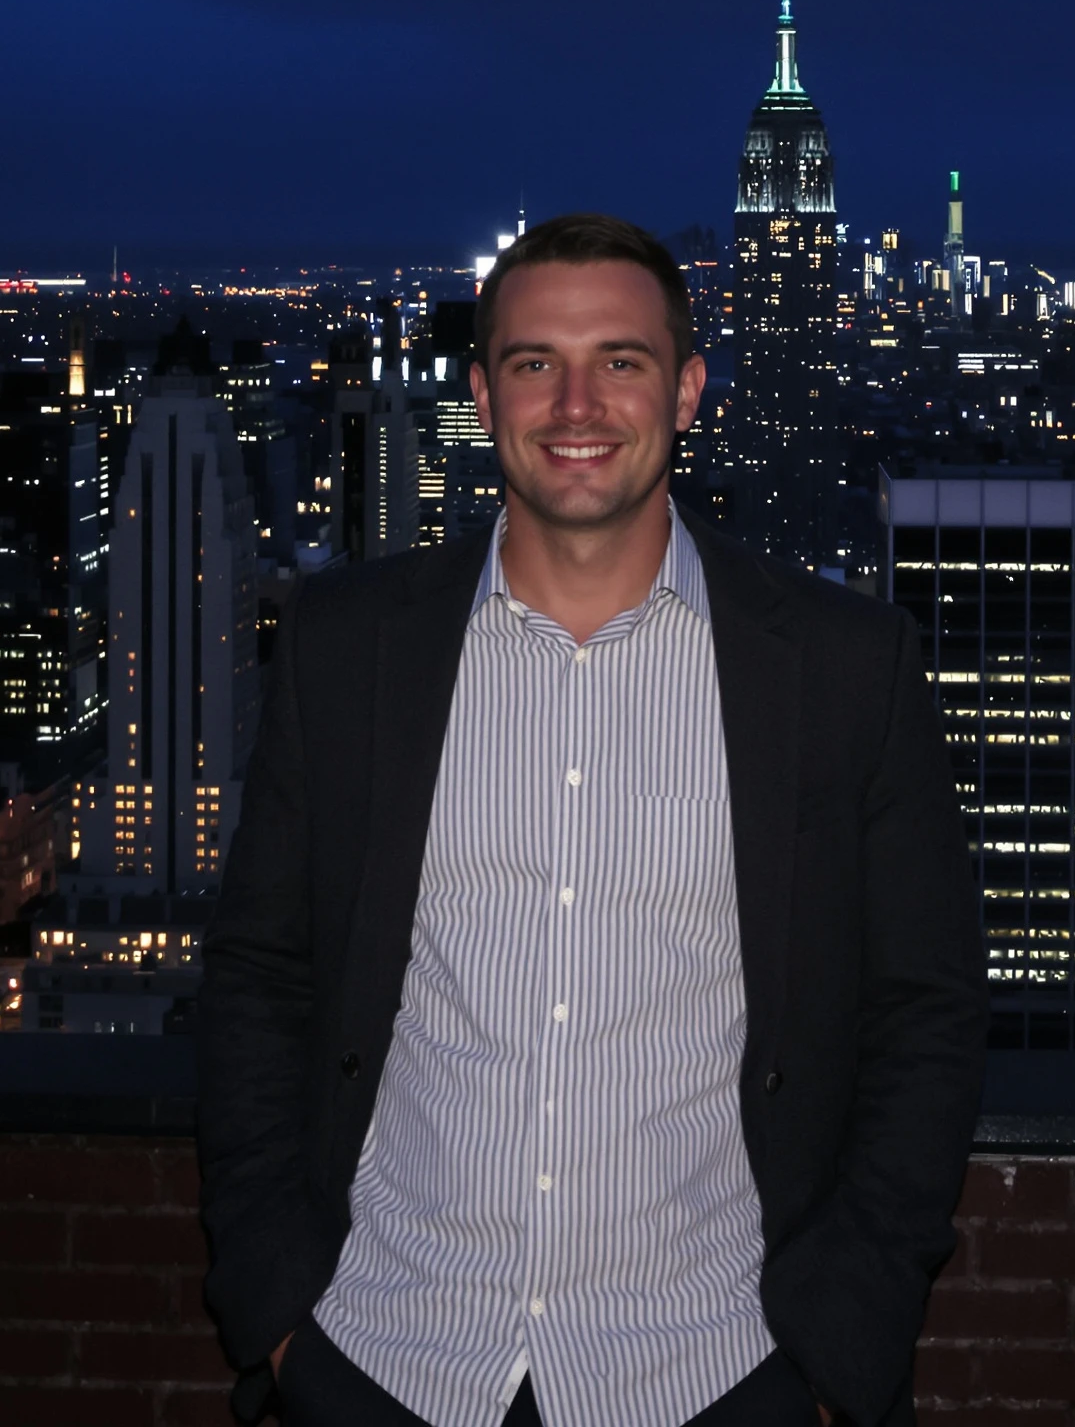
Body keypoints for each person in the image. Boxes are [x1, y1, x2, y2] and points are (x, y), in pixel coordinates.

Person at [198, 213, 986, 1427]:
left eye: (619, 360)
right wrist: (279, 1310)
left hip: (713, 1373)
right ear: (480, 392)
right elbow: (260, 975)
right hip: (381, 1359)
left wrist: (836, 1349)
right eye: (533, 363)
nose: (576, 402)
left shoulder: (838, 670)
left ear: (686, 391)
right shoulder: (348, 648)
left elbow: (923, 1014)